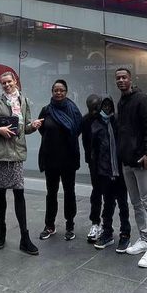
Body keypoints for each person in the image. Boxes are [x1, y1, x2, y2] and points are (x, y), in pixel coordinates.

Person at [0, 71, 42, 255]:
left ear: (15, 81)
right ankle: (2, 230)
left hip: (16, 154)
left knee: (19, 193)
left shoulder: (23, 101)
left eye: (9, 82)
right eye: (3, 83)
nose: (7, 85)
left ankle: (25, 237)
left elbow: (24, 128)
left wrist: (33, 126)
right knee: (0, 193)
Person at [115, 67, 147, 267]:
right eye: (118, 78)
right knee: (136, 203)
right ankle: (143, 239)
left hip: (141, 159)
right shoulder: (121, 101)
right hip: (127, 161)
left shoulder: (141, 99)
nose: (121, 80)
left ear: (131, 79)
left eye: (124, 77)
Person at [84, 96, 131, 252]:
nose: (107, 108)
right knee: (108, 204)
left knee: (123, 204)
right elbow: (93, 151)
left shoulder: (118, 122)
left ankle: (125, 234)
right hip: (104, 172)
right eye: (104, 105)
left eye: (109, 105)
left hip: (120, 171)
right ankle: (107, 233)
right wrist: (96, 171)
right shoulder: (95, 124)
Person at [38, 79, 82, 241]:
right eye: (56, 90)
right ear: (52, 91)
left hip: (68, 159)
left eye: (61, 90)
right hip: (51, 159)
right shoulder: (46, 110)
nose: (58, 93)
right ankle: (49, 225)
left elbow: (77, 129)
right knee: (51, 193)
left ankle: (70, 225)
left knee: (69, 192)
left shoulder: (73, 110)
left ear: (66, 92)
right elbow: (42, 130)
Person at [81, 94, 103, 242]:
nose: (94, 111)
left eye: (95, 108)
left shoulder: (107, 118)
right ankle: (95, 222)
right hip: (95, 161)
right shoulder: (86, 120)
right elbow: (85, 141)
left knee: (110, 193)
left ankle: (106, 224)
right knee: (96, 191)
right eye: (91, 109)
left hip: (107, 160)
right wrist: (89, 159)